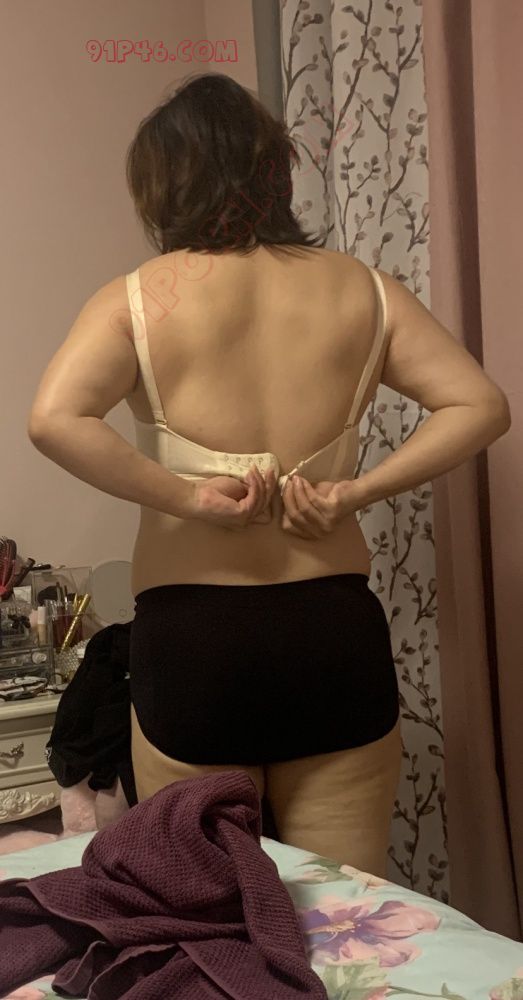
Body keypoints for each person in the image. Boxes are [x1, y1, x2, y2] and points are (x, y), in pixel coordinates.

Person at [27, 72, 511, 878]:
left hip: (195, 642)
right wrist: (355, 491)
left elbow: (53, 419)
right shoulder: (365, 290)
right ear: (274, 172)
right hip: (331, 634)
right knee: (346, 907)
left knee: (211, 908)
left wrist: (187, 496)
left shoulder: (138, 301)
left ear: (164, 184)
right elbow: (481, 405)